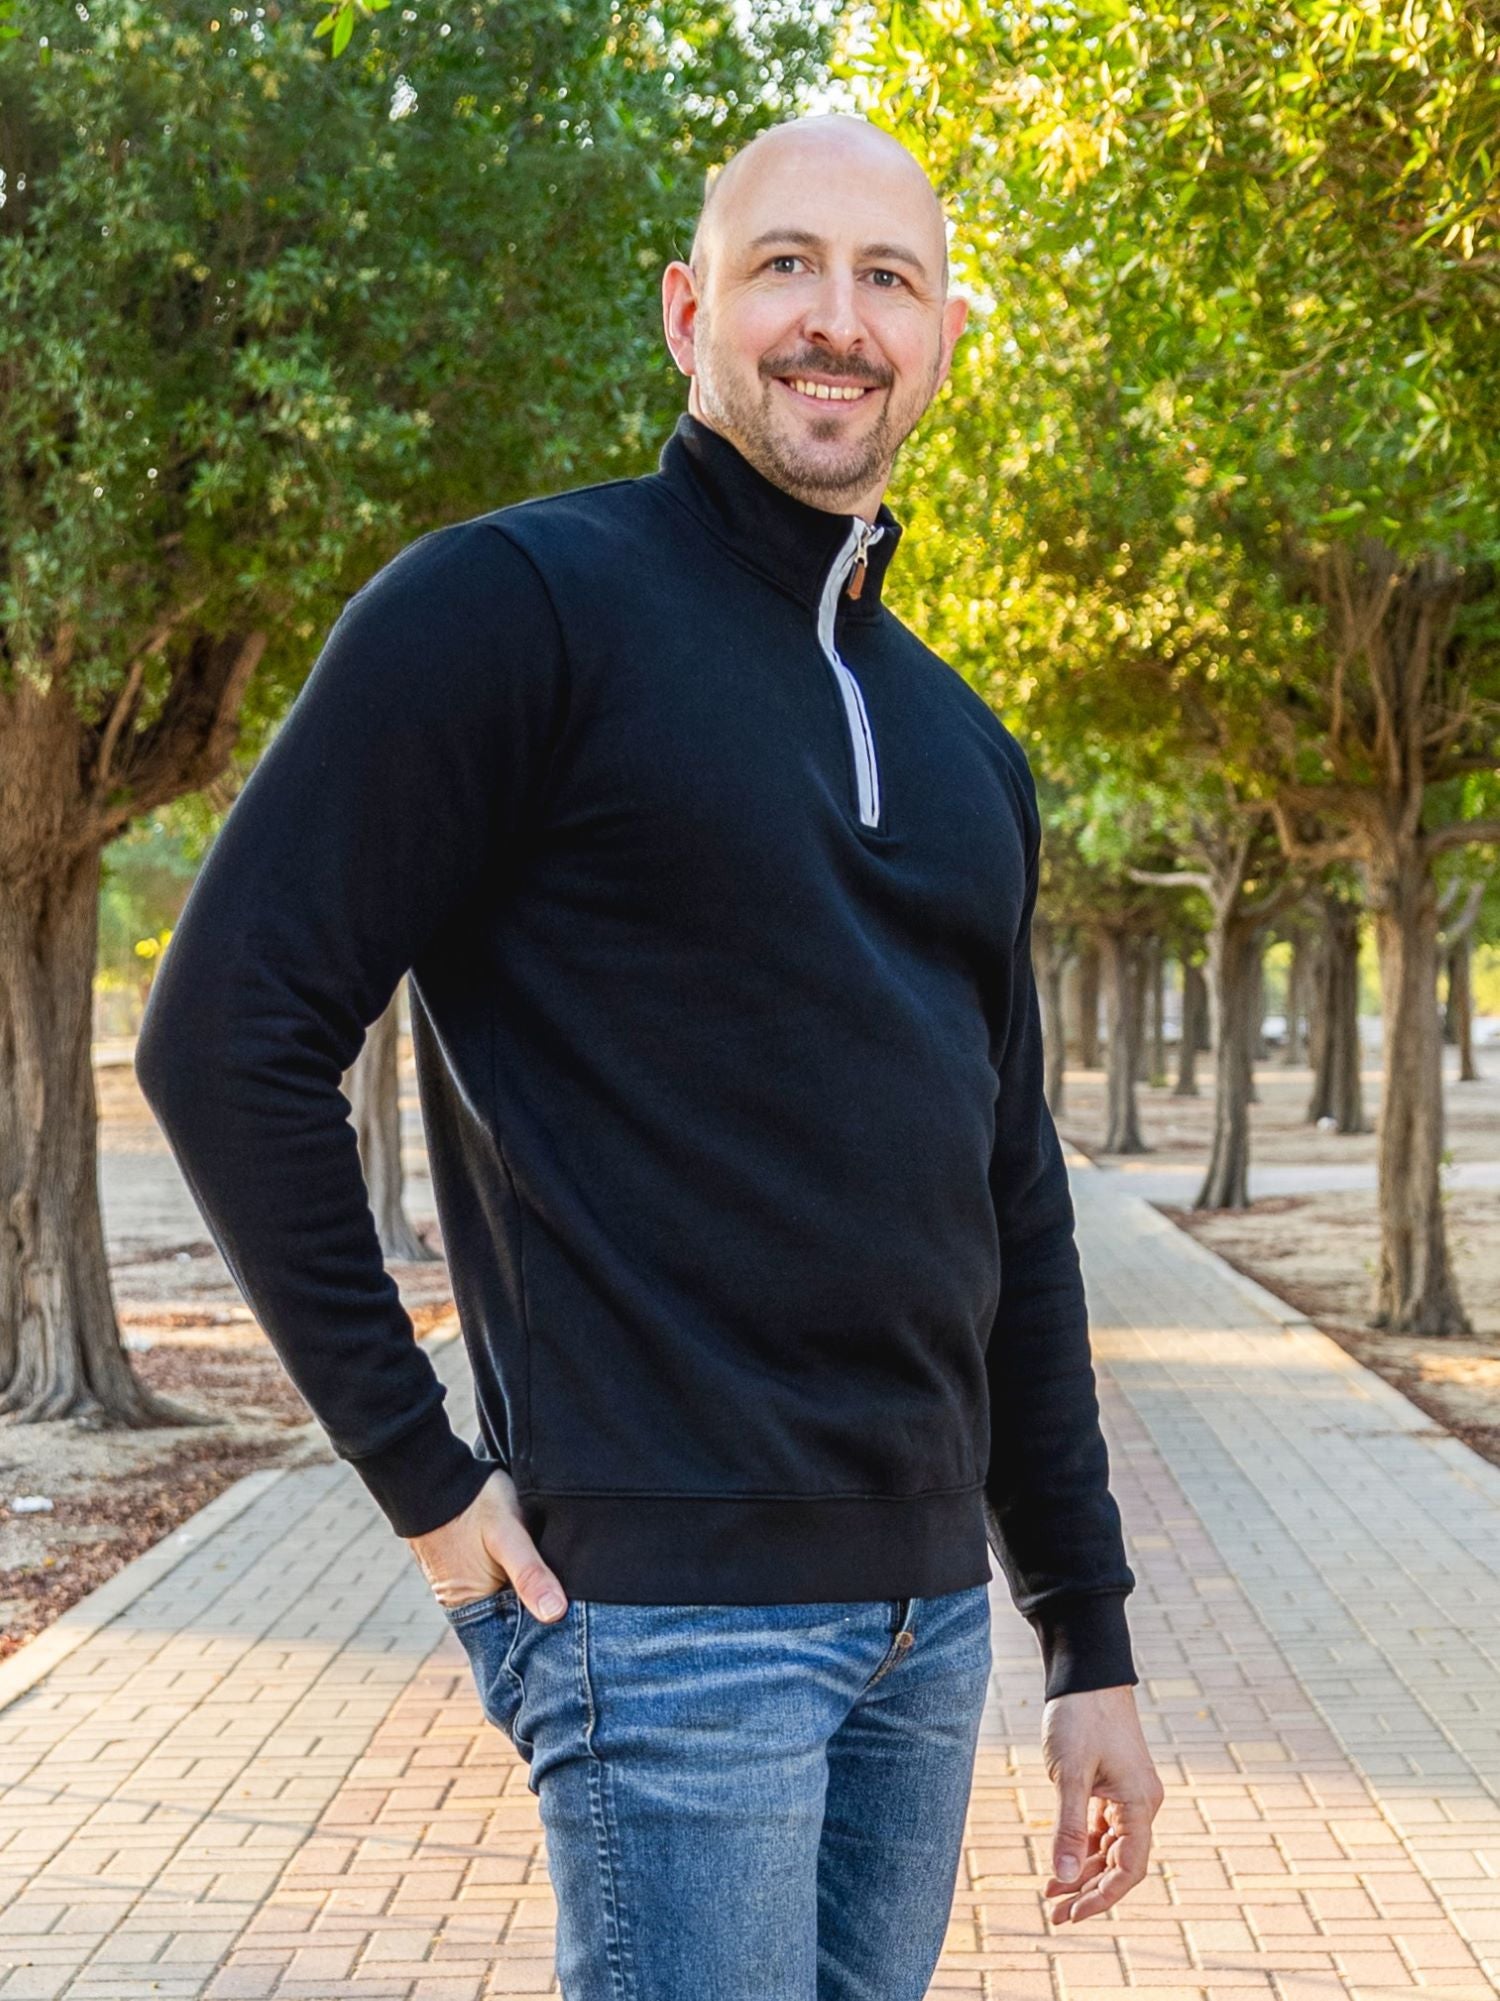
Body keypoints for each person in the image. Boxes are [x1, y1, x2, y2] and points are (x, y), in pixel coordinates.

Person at [136, 111, 1164, 2000]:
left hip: (928, 1625)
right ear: (690, 308)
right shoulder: (513, 612)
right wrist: (428, 1486)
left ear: (940, 339)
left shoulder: (967, 749)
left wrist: (1083, 1634)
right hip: (668, 1618)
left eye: (886, 279)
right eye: (785, 265)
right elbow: (224, 1038)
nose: (834, 320)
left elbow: (1012, 1199)